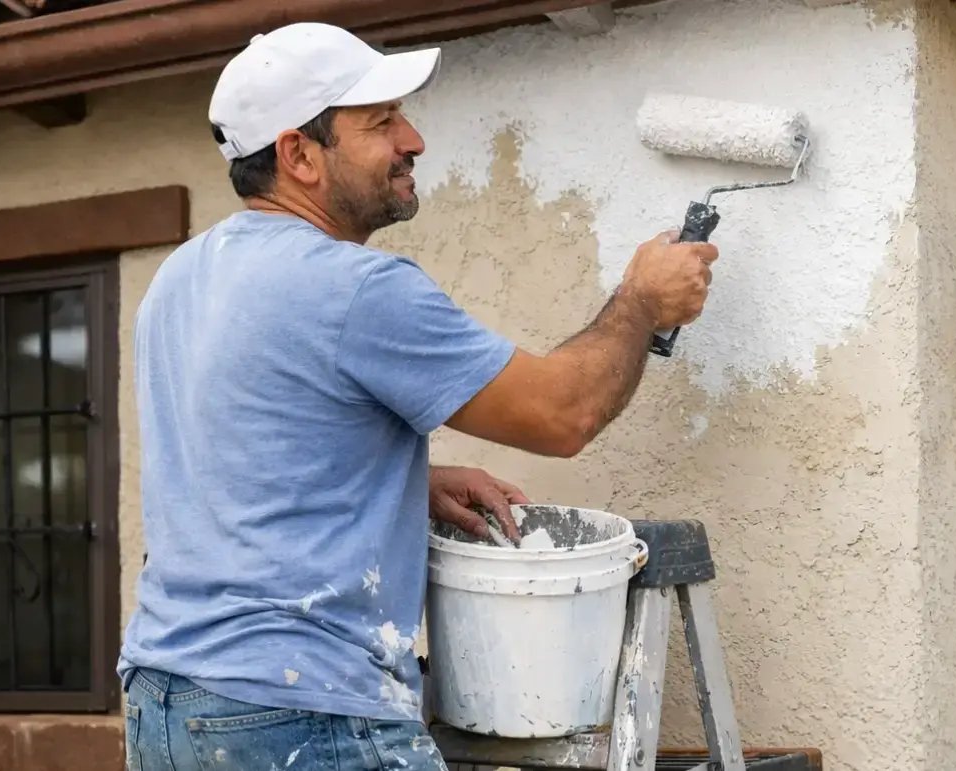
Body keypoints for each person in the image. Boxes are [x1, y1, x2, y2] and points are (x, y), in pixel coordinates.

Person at [117, 21, 717, 771]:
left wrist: (403, 481)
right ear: (298, 155)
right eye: (380, 123)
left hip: (168, 702)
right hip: (302, 712)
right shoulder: (355, 290)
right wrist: (641, 302)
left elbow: (238, 454)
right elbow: (564, 413)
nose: (414, 140)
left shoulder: (181, 277)